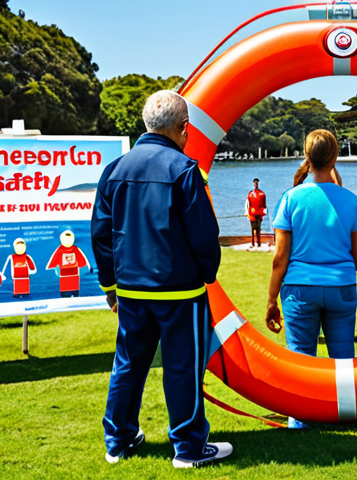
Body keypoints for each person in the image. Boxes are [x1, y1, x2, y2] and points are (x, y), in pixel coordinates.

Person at [91, 90, 232, 468]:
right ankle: (187, 448)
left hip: (131, 291)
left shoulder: (114, 170)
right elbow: (204, 235)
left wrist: (109, 286)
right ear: (184, 128)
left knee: (128, 364)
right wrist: (206, 275)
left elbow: (101, 234)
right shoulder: (185, 170)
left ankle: (117, 441)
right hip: (179, 290)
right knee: (182, 367)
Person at [266, 129, 357, 429]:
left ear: (306, 158)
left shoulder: (290, 199)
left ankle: (301, 421)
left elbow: (279, 259)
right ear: (335, 158)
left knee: (301, 359)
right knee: (342, 359)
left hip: (299, 290)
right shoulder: (352, 202)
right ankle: (343, 416)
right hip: (342, 288)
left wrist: (272, 299)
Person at [246, 178, 267, 247]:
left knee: (258, 228)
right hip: (252, 214)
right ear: (253, 184)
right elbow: (247, 203)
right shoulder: (250, 194)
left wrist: (264, 212)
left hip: (259, 214)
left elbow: (264, 204)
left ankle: (259, 242)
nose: (256, 184)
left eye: (257, 183)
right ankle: (253, 243)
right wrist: (246, 212)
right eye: (255, 183)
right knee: (252, 229)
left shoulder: (262, 194)